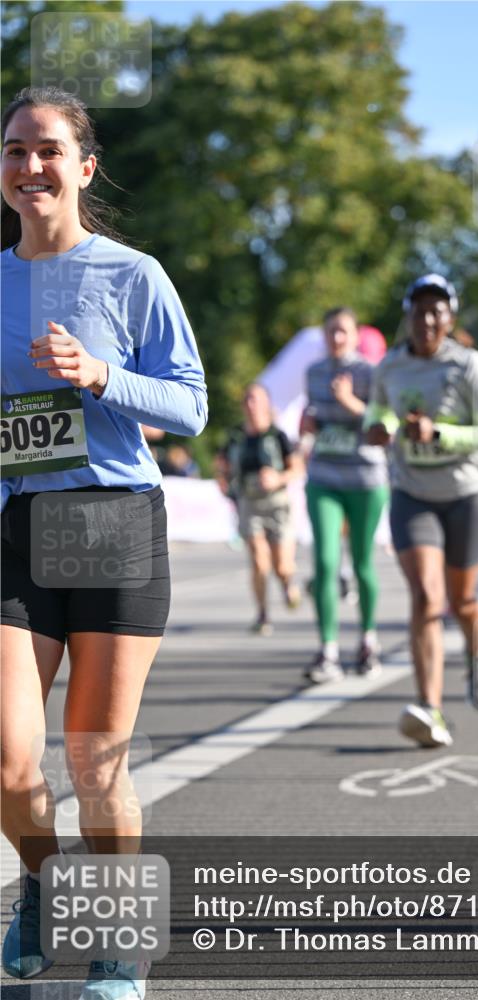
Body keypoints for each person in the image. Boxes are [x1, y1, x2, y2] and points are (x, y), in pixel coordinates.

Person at [1, 87, 207, 999]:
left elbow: (190, 404)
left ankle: (120, 936)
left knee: (92, 757)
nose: (28, 166)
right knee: (9, 760)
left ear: (84, 168)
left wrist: (103, 374)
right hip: (20, 524)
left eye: (47, 150)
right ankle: (46, 885)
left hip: (113, 521)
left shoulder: (132, 275)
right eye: (13, 150)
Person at [365, 274, 478, 747]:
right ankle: (431, 709)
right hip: (413, 493)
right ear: (408, 315)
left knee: (462, 600)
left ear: (450, 318)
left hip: (468, 493)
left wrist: (441, 433)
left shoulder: (468, 365)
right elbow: (377, 411)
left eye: (437, 310)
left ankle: (477, 648)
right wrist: (381, 428)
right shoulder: (391, 366)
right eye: (419, 309)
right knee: (426, 599)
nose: (427, 319)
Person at [302, 307, 388, 681]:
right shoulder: (314, 372)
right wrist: (307, 424)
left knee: (363, 562)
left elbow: (384, 424)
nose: (337, 338)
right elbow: (313, 421)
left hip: (366, 477)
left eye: (343, 332)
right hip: (324, 476)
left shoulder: (371, 373)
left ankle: (368, 640)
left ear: (355, 336)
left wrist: (351, 402)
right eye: (331, 331)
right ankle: (328, 651)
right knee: (324, 562)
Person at [218, 383, 302, 635]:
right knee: (258, 560)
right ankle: (263, 614)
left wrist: (277, 478)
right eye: (248, 400)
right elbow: (220, 465)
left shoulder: (277, 436)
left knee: (282, 566)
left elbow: (297, 468)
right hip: (248, 501)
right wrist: (224, 484)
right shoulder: (235, 436)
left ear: (266, 405)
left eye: (256, 399)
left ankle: (288, 583)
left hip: (277, 504)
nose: (251, 405)